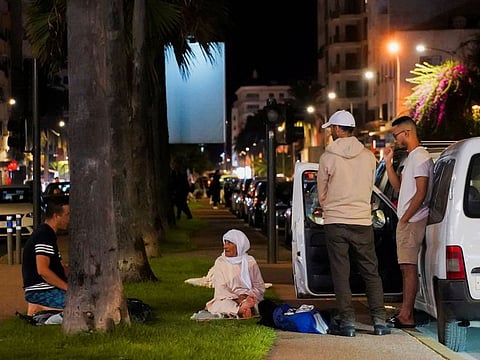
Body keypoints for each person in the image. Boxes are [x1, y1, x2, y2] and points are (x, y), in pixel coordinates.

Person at [317, 110, 390, 337]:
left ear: (338, 129)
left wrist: (332, 206)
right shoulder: (369, 157)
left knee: (341, 272)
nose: (331, 131)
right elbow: (370, 188)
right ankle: (379, 321)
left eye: (332, 128)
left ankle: (348, 323)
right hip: (361, 220)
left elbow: (322, 193)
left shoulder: (328, 157)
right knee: (371, 271)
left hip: (336, 221)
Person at [383, 116, 433, 329]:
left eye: (396, 135)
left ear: (407, 132)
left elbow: (421, 193)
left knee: (409, 268)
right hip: (409, 220)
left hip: (412, 221)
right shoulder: (411, 158)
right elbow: (397, 186)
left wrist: (404, 219)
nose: (395, 140)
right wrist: (388, 162)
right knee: (406, 268)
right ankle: (405, 313)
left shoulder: (421, 156)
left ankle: (407, 315)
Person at [22, 197, 70, 315]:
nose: (69, 219)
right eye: (67, 215)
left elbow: (57, 267)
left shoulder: (47, 235)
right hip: (41, 290)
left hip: (44, 288)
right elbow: (43, 270)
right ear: (56, 216)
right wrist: (67, 288)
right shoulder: (44, 236)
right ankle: (40, 310)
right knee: (79, 305)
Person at [205, 229, 265, 318]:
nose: (225, 246)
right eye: (225, 243)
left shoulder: (250, 261)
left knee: (260, 304)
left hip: (248, 296)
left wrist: (246, 296)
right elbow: (221, 288)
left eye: (229, 243)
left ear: (239, 245)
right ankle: (242, 310)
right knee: (222, 305)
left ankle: (244, 308)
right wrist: (237, 299)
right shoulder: (220, 262)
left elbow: (259, 286)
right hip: (229, 298)